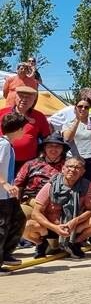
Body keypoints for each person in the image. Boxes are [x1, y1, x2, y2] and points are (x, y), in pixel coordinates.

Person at [22, 156, 91, 259]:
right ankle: (41, 243)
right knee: (26, 226)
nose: (72, 170)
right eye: (69, 166)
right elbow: (36, 212)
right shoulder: (51, 185)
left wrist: (75, 221)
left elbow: (90, 210)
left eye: (77, 167)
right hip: (51, 227)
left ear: (83, 171)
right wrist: (55, 228)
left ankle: (75, 243)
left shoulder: (86, 185)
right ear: (63, 169)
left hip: (73, 228)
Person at [14, 132, 68, 227]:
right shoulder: (30, 164)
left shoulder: (69, 166)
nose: (53, 149)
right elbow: (18, 185)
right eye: (50, 146)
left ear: (62, 149)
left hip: (58, 205)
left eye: (57, 146)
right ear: (44, 148)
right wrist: (15, 204)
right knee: (20, 217)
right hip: (31, 201)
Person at [0, 85, 51, 173]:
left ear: (34, 100)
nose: (24, 99)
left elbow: (47, 138)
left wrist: (42, 156)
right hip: (3, 158)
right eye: (21, 96)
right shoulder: (2, 113)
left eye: (28, 97)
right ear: (15, 97)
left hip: (28, 162)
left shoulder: (39, 117)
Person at [1, 112, 29, 269]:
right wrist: (4, 184)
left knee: (18, 219)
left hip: (7, 194)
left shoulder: (8, 145)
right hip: (1, 194)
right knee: (2, 228)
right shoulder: (3, 145)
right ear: (17, 129)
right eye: (22, 128)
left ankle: (6, 253)